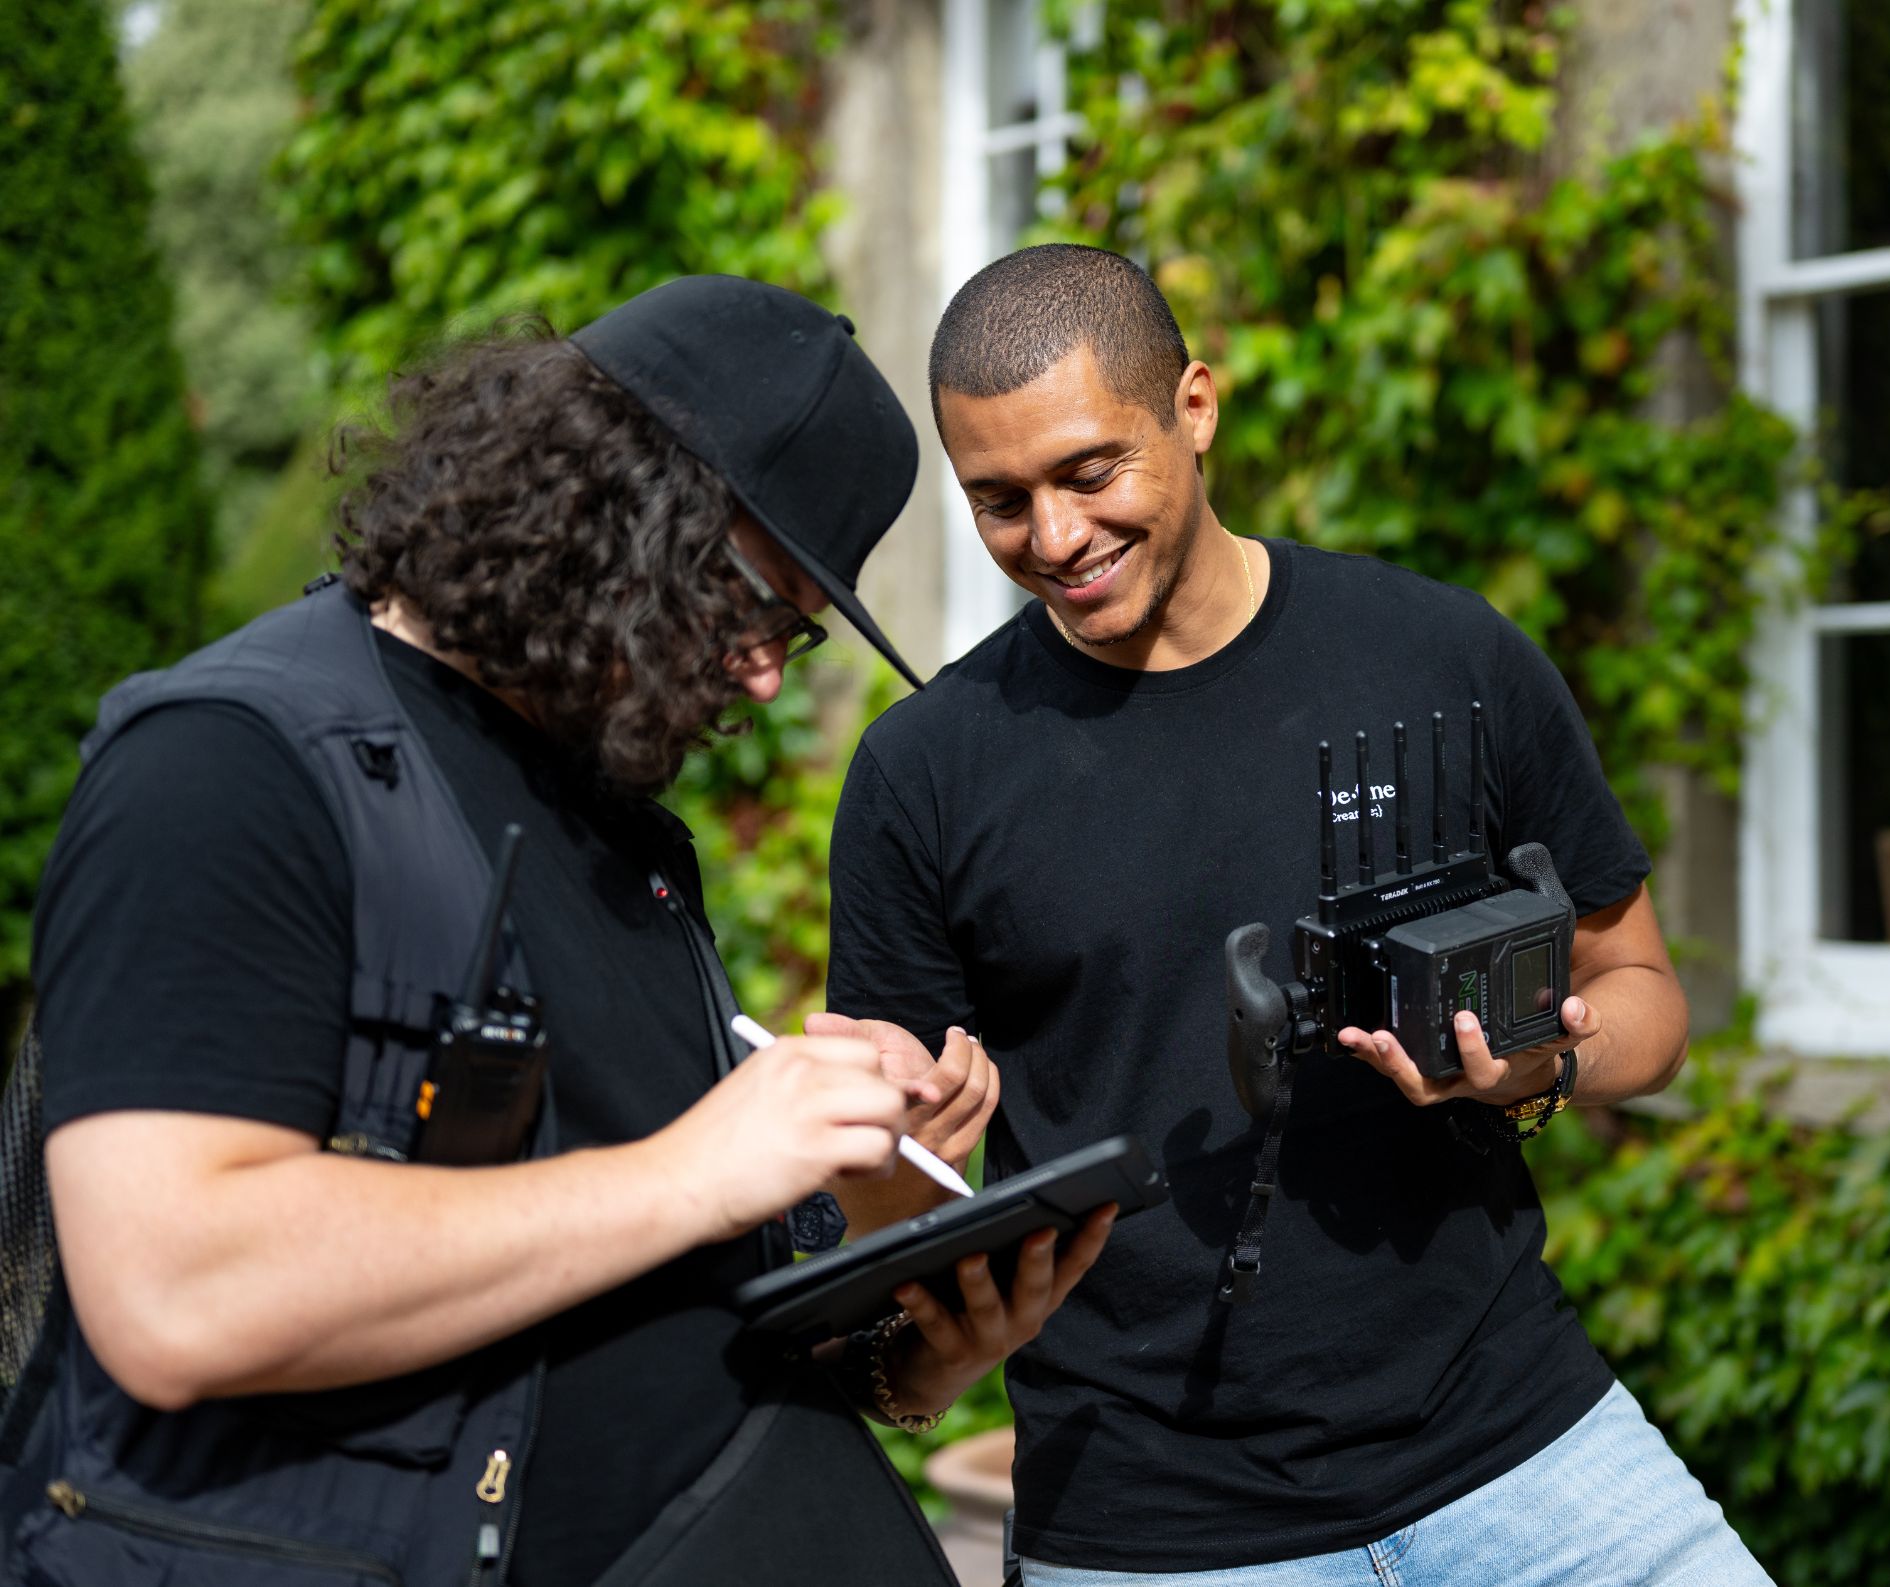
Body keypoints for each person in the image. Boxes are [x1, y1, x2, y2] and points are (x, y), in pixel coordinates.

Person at [19, 276, 1110, 1586]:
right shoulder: (226, 767)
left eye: (793, 634)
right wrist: (699, 1166)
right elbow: (178, 1295)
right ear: (600, 500)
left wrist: (895, 1310)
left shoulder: (619, 841)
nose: (765, 672)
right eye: (757, 602)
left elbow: (622, 1292)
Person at [823, 245, 1776, 1585]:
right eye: (997, 501)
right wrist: (892, 1163)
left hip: (1527, 1453)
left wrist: (1540, 1065)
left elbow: (1645, 998)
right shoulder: (924, 774)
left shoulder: (1442, 655)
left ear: (1195, 408)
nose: (1052, 540)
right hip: (1155, 1526)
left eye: (1091, 473)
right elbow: (874, 1216)